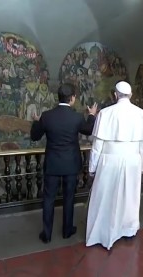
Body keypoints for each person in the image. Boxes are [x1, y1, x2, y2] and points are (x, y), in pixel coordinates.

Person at [86, 81, 143, 250]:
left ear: (115, 95)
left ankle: (103, 233)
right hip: (133, 161)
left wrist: (92, 168)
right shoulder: (142, 115)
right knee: (129, 197)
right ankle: (128, 230)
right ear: (131, 95)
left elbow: (97, 146)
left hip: (109, 160)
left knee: (105, 197)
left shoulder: (105, 113)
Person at [30, 83, 98, 243]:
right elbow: (88, 130)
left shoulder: (47, 116)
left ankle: (46, 234)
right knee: (69, 198)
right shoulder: (76, 117)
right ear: (72, 98)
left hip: (52, 164)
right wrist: (92, 115)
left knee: (48, 199)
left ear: (57, 97)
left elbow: (35, 136)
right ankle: (67, 230)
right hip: (71, 164)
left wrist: (36, 121)